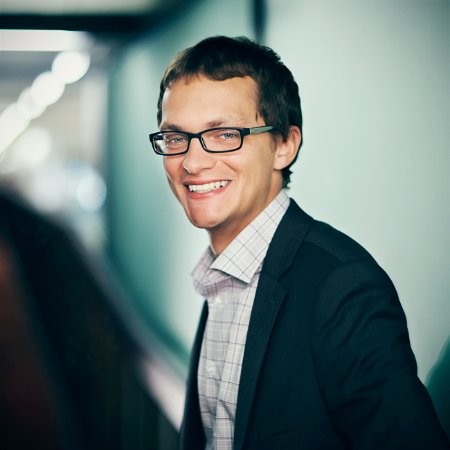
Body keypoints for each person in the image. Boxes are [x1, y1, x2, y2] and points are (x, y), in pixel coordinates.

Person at [149, 35, 449, 450]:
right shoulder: (220, 277)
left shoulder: (342, 287)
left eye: (223, 134)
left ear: (284, 146)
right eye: (175, 138)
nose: (192, 162)